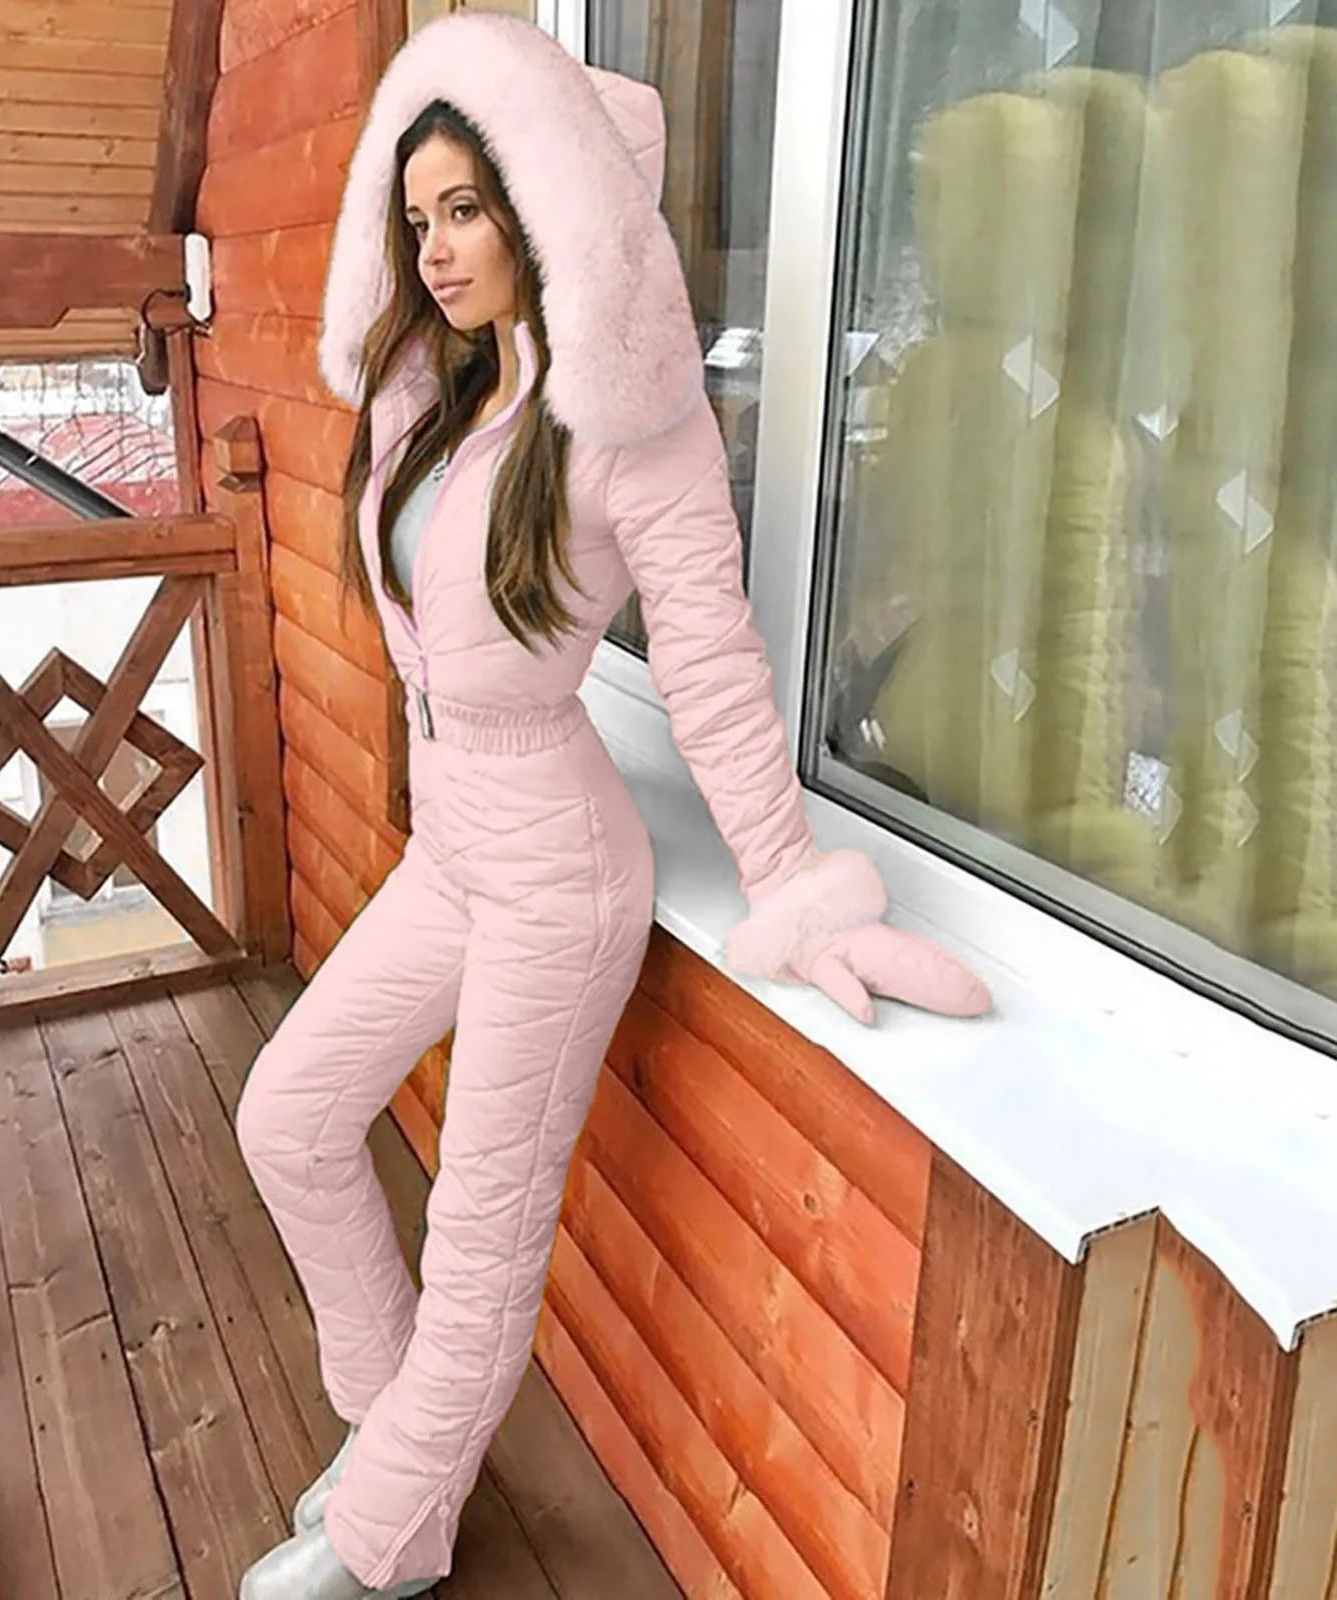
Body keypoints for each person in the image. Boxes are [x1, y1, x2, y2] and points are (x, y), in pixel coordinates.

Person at [234, 12, 990, 1598]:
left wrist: (788, 880)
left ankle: (387, 1542)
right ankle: (391, 1439)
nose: (439, 250)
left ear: (546, 209)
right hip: (457, 846)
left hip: (559, 873)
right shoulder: (440, 404)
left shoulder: (630, 423)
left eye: (469, 209)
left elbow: (706, 657)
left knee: (482, 1233)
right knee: (288, 1114)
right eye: (419, 217)